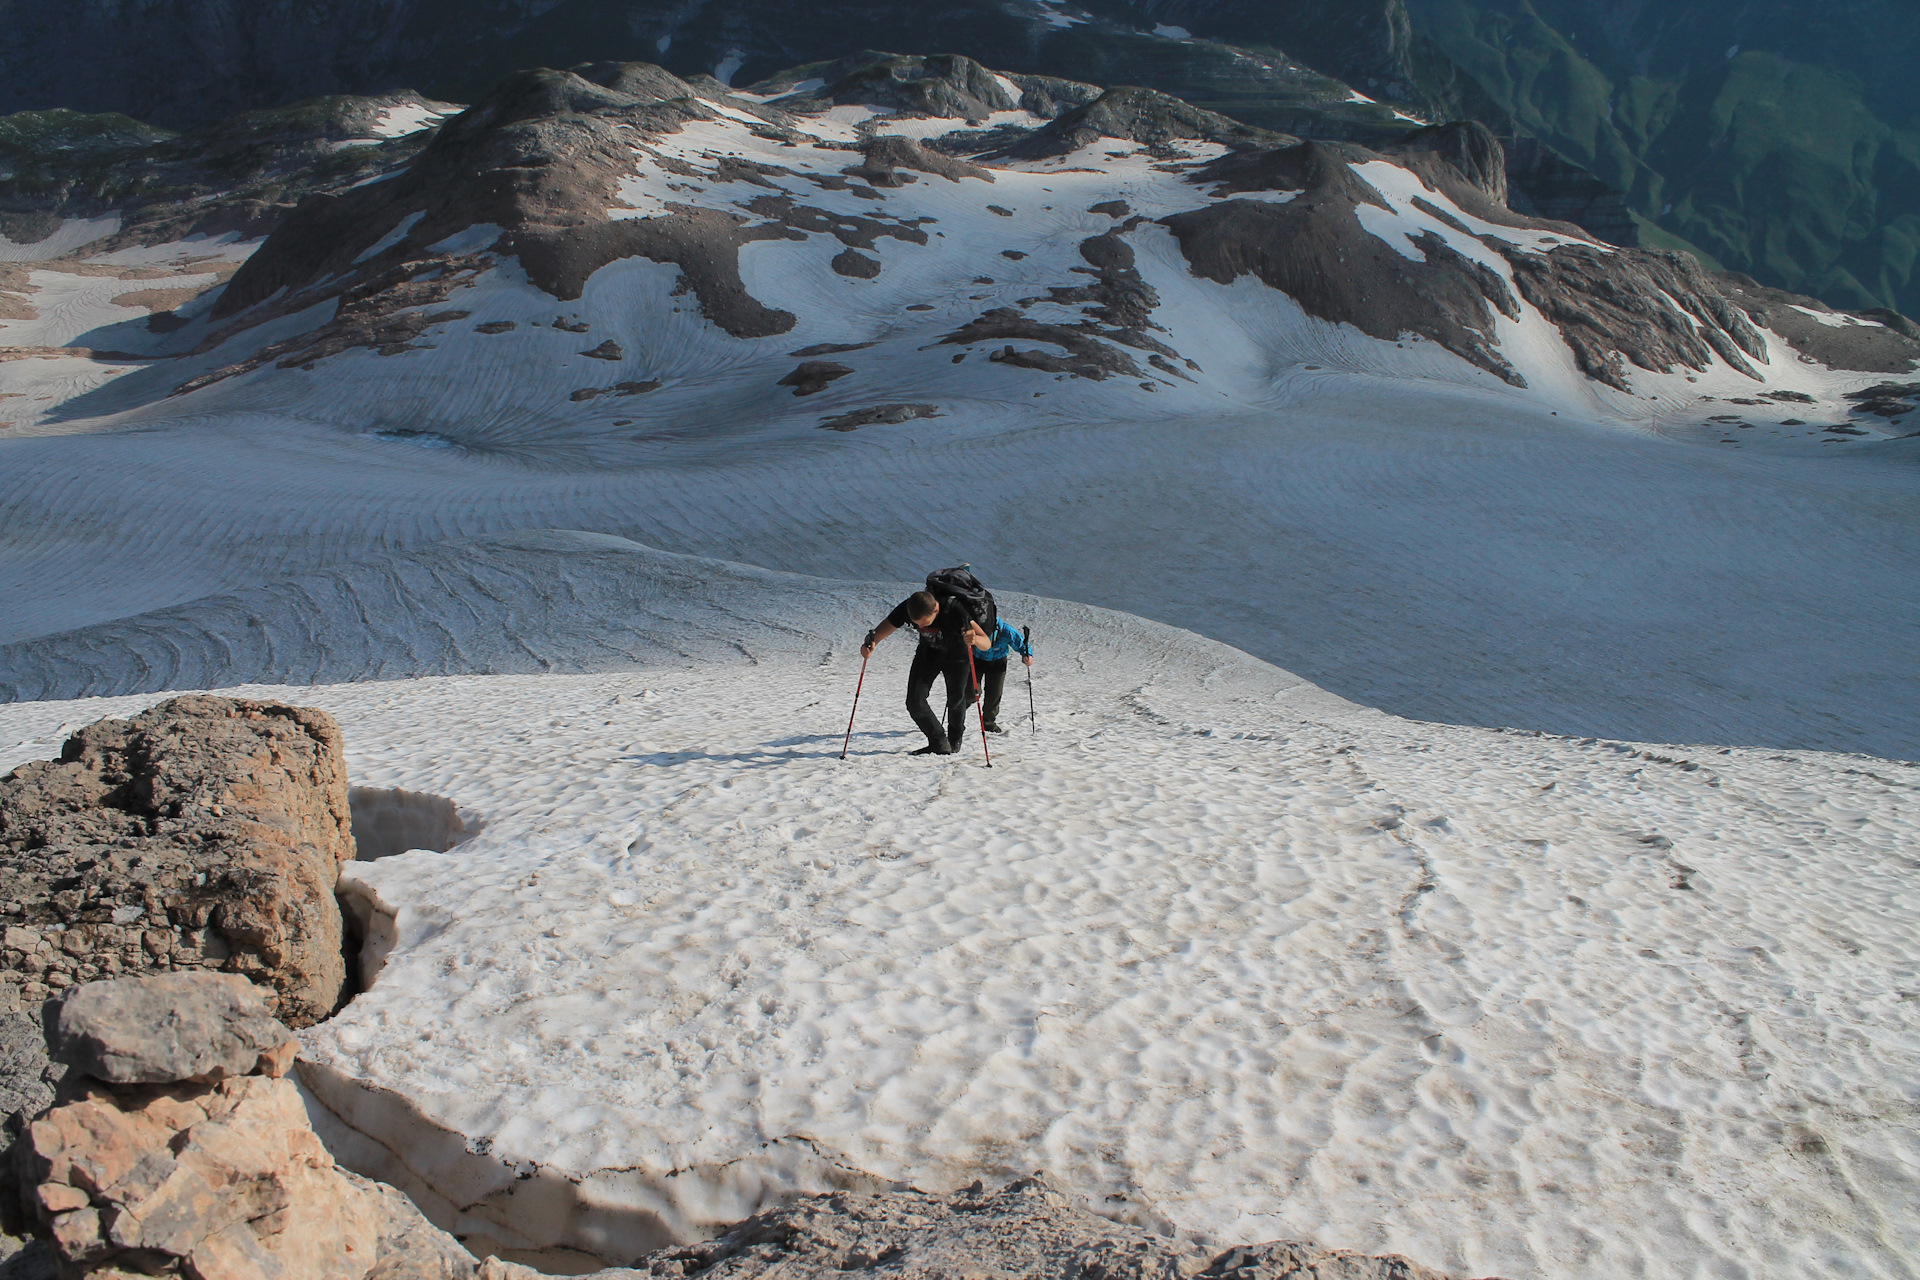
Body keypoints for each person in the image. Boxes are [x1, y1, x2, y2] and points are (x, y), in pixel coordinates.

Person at [861, 590, 993, 755]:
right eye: (916, 624)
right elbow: (888, 625)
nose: (920, 627)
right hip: (929, 653)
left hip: (957, 655)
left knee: (956, 700)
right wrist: (871, 643)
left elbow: (986, 643)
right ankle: (939, 742)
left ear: (936, 609)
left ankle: (955, 740)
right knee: (914, 701)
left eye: (924, 623)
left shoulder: (955, 610)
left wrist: (974, 639)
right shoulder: (910, 607)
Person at [974, 617, 1034, 733]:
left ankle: (989, 723)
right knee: (972, 692)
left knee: (995, 693)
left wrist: (1028, 655)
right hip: (977, 660)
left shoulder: (1007, 631)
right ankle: (958, 717)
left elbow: (1022, 645)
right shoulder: (976, 627)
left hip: (998, 662)